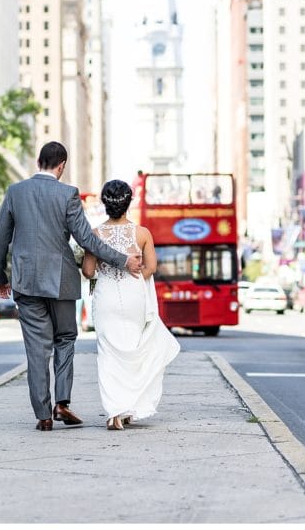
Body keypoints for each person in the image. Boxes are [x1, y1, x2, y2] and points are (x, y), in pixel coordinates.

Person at [0, 141, 142, 431]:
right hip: (60, 280)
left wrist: (0, 278)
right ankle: (62, 402)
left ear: (38, 162)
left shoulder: (15, 192)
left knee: (36, 349)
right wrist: (123, 260)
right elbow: (88, 241)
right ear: (61, 166)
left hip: (26, 282)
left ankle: (44, 416)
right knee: (65, 339)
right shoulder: (67, 194)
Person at [82, 179, 180, 430]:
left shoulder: (94, 234)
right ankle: (127, 407)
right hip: (134, 295)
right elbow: (151, 267)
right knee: (133, 350)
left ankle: (115, 412)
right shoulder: (142, 233)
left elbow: (89, 271)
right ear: (128, 203)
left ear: (105, 204)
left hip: (106, 298)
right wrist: (132, 280)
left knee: (108, 353)